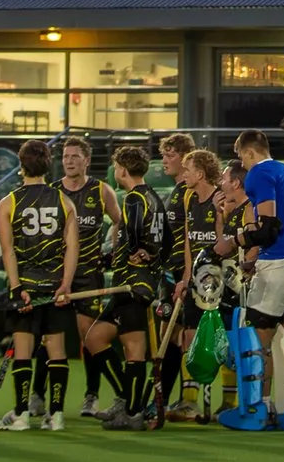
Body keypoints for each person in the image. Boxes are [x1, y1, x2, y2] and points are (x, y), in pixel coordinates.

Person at [224, 129, 284, 431]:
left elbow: (267, 229)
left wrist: (234, 241)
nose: (242, 162)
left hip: (281, 264)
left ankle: (259, 410)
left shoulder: (259, 175)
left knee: (258, 341)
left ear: (249, 152)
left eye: (242, 156)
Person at [0, 139, 78, 431]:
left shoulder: (8, 202)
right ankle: (55, 415)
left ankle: (21, 414)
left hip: (26, 288)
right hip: (55, 286)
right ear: (49, 165)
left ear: (21, 166)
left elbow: (8, 251)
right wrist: (65, 284)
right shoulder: (64, 201)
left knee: (23, 351)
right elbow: (71, 248)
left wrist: (18, 288)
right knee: (56, 351)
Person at [90, 146, 167, 429]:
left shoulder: (135, 198)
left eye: (115, 167)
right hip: (128, 282)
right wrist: (114, 256)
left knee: (133, 349)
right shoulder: (154, 197)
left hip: (134, 285)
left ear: (122, 169)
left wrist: (137, 251)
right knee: (95, 337)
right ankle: (126, 397)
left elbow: (134, 233)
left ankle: (132, 412)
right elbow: (165, 241)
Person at [154, 147, 226, 424]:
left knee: (220, 340)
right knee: (189, 339)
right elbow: (187, 242)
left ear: (200, 172)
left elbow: (223, 241)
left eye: (188, 170)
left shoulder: (219, 198)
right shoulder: (187, 198)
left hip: (218, 278)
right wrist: (185, 276)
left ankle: (228, 402)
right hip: (194, 276)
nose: (183, 174)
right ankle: (189, 401)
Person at [55, 135, 123, 425]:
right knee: (49, 336)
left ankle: (92, 395)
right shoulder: (53, 192)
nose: (69, 161)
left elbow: (119, 221)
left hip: (88, 275)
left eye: (74, 156)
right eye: (65, 157)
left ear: (86, 159)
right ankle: (38, 397)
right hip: (56, 275)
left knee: (89, 337)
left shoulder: (101, 190)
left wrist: (112, 248)